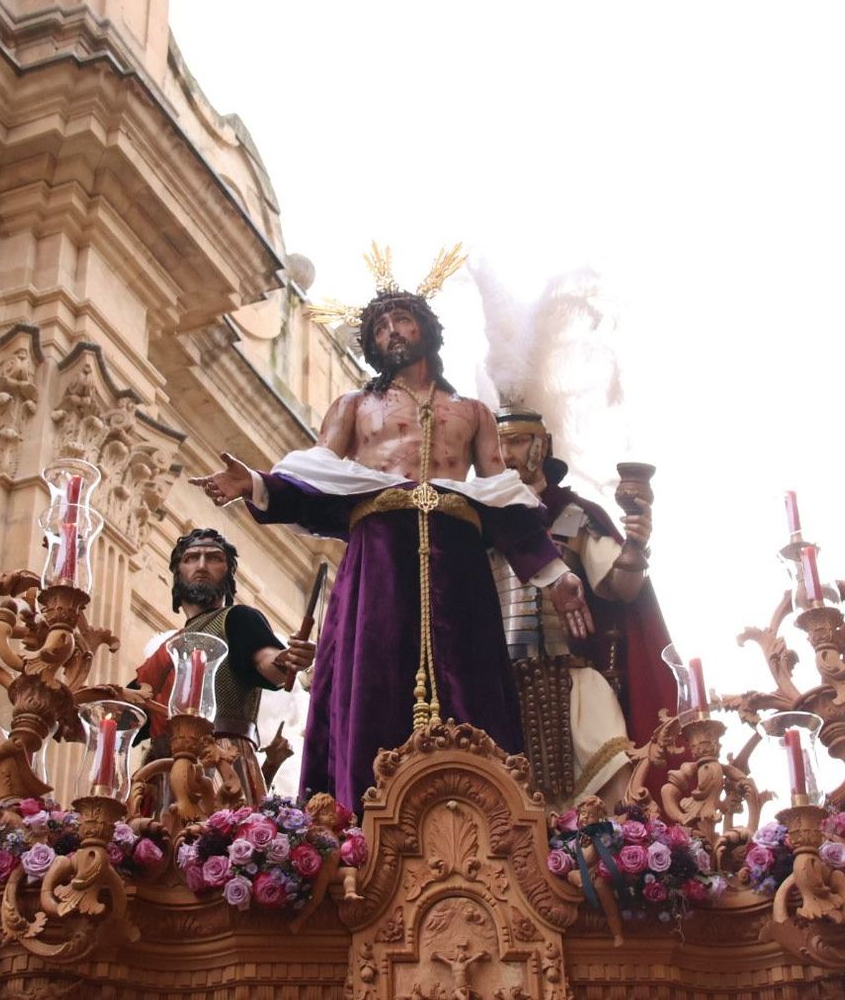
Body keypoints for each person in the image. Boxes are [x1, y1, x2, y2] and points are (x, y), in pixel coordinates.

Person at [191, 246, 590, 812]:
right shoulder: (354, 406)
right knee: (371, 670)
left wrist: (551, 573)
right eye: (380, 327)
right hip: (379, 547)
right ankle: (356, 815)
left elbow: (504, 497)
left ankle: (490, 814)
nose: (392, 332)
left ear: (426, 329)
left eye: (402, 320)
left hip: (457, 550)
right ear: (371, 344)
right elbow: (318, 474)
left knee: (472, 673)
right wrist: (257, 485)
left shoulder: (472, 412)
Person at [492, 406, 674, 808]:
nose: (507, 455)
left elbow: (623, 588)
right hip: (499, 690)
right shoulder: (478, 525)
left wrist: (636, 542)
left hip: (574, 682)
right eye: (499, 443)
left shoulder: (572, 517)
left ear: (542, 445)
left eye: (518, 442)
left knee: (618, 789)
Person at [132, 529, 314, 803]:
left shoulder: (237, 618)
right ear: (177, 572)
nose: (202, 565)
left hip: (222, 759)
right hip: (163, 768)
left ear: (228, 573)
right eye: (192, 558)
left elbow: (267, 661)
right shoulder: (166, 649)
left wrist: (287, 661)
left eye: (213, 558)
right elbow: (127, 710)